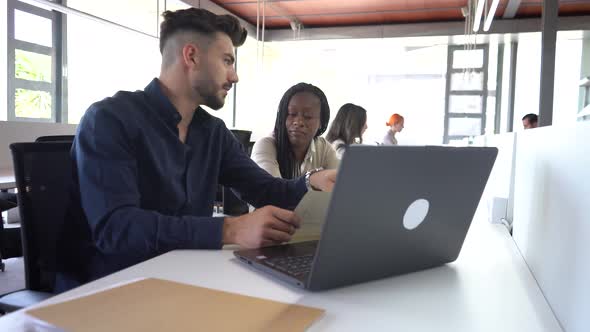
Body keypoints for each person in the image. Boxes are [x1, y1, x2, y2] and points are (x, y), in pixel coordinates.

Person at [55, 8, 336, 291]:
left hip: (185, 278)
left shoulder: (212, 132)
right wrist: (231, 228)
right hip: (108, 288)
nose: (234, 76)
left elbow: (265, 190)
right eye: (227, 61)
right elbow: (118, 229)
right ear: (191, 56)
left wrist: (311, 181)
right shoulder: (109, 119)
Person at [251, 83, 340, 179]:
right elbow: (273, 190)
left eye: (308, 116)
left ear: (321, 123)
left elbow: (340, 186)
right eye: (292, 114)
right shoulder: (265, 146)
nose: (298, 122)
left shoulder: (324, 149)